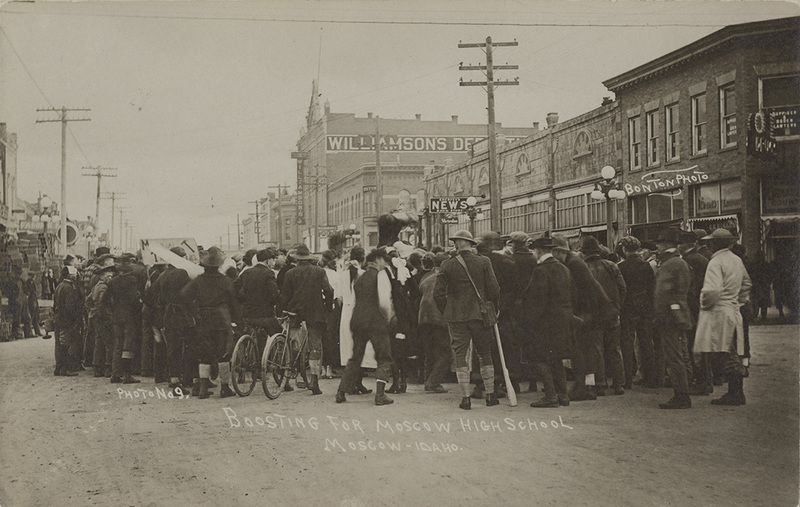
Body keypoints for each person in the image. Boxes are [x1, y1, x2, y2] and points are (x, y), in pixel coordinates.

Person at [434, 230, 501, 410]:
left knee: (460, 355)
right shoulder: (484, 262)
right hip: (479, 315)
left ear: (457, 244)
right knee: (484, 353)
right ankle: (490, 395)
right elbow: (494, 290)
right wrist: (492, 306)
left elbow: (438, 293)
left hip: (456, 316)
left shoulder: (447, 265)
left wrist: (448, 309)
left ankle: (465, 398)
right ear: (471, 244)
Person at [693, 229, 751, 406]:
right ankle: (735, 390)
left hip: (718, 312)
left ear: (714, 244)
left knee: (724, 352)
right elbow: (747, 284)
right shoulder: (736, 260)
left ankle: (735, 392)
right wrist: (737, 301)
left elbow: (712, 290)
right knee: (730, 349)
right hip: (732, 310)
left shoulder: (716, 262)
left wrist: (704, 304)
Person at [336, 247, 397, 406]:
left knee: (355, 357)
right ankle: (380, 395)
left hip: (357, 320)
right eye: (384, 260)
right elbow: (384, 302)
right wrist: (388, 318)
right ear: (377, 260)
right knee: (384, 357)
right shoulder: (380, 276)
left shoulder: (360, 277)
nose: (385, 264)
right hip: (375, 321)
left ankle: (342, 391)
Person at [180, 247, 242, 399]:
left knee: (204, 354)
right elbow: (234, 304)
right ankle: (225, 388)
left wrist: (193, 311)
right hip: (222, 318)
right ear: (219, 265)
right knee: (223, 354)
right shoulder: (226, 281)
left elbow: (184, 295)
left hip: (203, 319)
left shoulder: (198, 281)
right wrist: (238, 322)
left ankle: (202, 388)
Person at [522, 236, 575, 407]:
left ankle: (551, 396)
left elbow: (537, 301)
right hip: (563, 320)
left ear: (537, 251)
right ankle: (563, 395)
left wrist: (529, 322)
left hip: (545, 322)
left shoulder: (540, 271)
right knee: (557, 358)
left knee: (540, 358)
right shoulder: (563, 268)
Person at [277, 244, 334, 395]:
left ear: (297, 259)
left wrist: (281, 310)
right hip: (315, 312)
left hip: (295, 311)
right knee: (316, 345)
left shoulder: (290, 273)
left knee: (291, 342)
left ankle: (288, 377)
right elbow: (328, 290)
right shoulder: (319, 271)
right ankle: (314, 380)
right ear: (309, 258)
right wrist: (328, 306)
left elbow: (285, 295)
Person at [551, 236, 599, 401]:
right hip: (586, 311)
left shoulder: (573, 264)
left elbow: (582, 290)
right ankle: (589, 387)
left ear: (559, 251)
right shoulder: (572, 261)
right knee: (585, 350)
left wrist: (577, 314)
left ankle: (582, 387)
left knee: (580, 351)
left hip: (584, 312)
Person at [652, 228, 693, 409]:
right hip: (679, 312)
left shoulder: (669, 264)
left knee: (673, 355)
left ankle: (681, 394)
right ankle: (683, 390)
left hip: (670, 315)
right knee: (680, 353)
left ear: (666, 244)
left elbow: (662, 293)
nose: (657, 247)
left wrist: (660, 315)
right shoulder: (679, 262)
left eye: (659, 244)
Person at [580, 236, 627, 395]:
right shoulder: (611, 266)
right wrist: (617, 306)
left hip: (593, 315)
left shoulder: (583, 268)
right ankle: (619, 384)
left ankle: (600, 384)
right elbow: (622, 288)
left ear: (584, 252)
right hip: (612, 314)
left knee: (596, 350)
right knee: (614, 349)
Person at [477, 231, 521, 396]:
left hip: (487, 309)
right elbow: (516, 287)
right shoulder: (507, 261)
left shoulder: (481, 262)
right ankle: (512, 381)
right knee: (509, 346)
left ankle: (490, 383)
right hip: (506, 310)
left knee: (489, 347)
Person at [617, 236, 656, 389]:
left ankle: (627, 379)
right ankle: (651, 378)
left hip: (628, 309)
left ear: (625, 250)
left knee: (627, 343)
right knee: (646, 343)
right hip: (644, 309)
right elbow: (651, 289)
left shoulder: (621, 267)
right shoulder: (646, 266)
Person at [154, 246, 194, 395]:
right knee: (188, 346)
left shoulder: (162, 274)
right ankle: (187, 379)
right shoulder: (183, 273)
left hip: (167, 314)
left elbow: (154, 295)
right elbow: (188, 295)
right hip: (182, 314)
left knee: (173, 348)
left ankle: (174, 379)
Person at [678, 231, 712, 395]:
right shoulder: (703, 259)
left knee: (692, 346)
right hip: (703, 307)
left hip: (692, 309)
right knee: (702, 347)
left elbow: (689, 289)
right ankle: (707, 381)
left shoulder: (687, 261)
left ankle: (701, 382)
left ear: (685, 244)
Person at [338, 247, 374, 395]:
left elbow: (339, 299)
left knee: (349, 351)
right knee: (360, 349)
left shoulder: (342, 275)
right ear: (363, 259)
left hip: (346, 313)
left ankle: (353, 384)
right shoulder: (364, 275)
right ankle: (356, 383)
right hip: (360, 313)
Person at [106, 253, 147, 384]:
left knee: (117, 345)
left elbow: (105, 300)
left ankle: (115, 374)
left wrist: (112, 310)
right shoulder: (132, 280)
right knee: (128, 346)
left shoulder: (113, 281)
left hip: (116, 316)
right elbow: (135, 299)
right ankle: (127, 374)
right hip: (129, 316)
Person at [234, 248, 282, 352]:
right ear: (267, 260)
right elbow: (274, 294)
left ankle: (256, 358)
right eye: (272, 260)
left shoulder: (246, 272)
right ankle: (274, 358)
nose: (273, 262)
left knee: (259, 335)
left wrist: (243, 299)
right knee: (279, 333)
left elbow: (234, 288)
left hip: (248, 314)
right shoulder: (269, 273)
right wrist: (274, 302)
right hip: (265, 315)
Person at [418, 252, 450, 393]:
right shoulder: (445, 278)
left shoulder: (426, 277)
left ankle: (427, 379)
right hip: (438, 318)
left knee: (429, 351)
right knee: (445, 353)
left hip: (423, 318)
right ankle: (433, 382)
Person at [53, 266, 82, 376]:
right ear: (70, 275)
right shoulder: (69, 288)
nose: (75, 276)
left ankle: (59, 367)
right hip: (66, 320)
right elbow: (70, 307)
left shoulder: (59, 286)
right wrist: (74, 319)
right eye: (74, 274)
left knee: (59, 343)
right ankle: (65, 368)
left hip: (58, 318)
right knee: (65, 343)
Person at [88, 260, 115, 378]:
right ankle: (108, 368)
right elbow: (103, 303)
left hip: (95, 317)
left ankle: (97, 367)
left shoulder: (95, 286)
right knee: (109, 343)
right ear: (103, 277)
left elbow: (87, 300)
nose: (110, 278)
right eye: (108, 276)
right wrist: (107, 314)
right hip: (103, 317)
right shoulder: (104, 288)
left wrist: (91, 310)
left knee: (99, 342)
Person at [320, 250, 342, 379]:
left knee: (321, 337)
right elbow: (339, 296)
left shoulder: (318, 272)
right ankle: (329, 368)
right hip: (332, 308)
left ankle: (321, 368)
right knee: (332, 338)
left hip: (320, 306)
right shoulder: (336, 275)